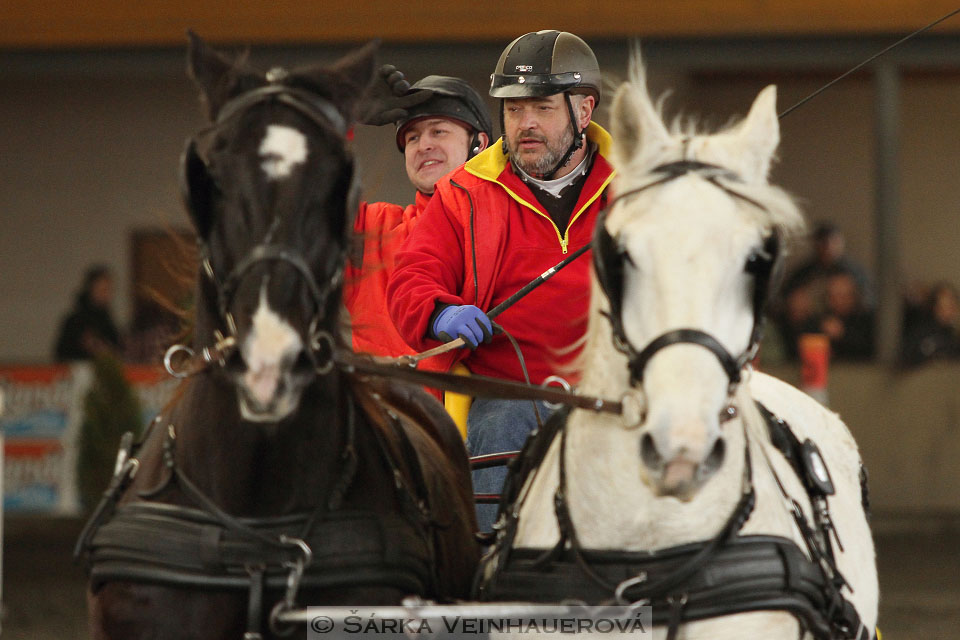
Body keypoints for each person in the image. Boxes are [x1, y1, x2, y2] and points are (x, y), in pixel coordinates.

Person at [386, 30, 614, 529]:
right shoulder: (461, 194)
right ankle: (491, 583)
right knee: (503, 423)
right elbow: (411, 278)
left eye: (542, 108)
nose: (525, 124)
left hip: (616, 394)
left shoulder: (634, 191)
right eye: (513, 109)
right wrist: (440, 311)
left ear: (584, 111)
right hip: (511, 400)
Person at [345, 68, 492, 365]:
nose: (423, 145)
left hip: (488, 406)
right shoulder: (373, 229)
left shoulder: (513, 225)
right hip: (384, 408)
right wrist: (336, 114)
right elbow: (289, 195)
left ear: (479, 143)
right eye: (412, 138)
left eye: (438, 131)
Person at [783, 222, 873, 312]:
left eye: (833, 242)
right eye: (823, 243)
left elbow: (867, 302)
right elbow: (787, 297)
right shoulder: (805, 273)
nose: (829, 247)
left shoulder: (853, 273)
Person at [54, 265, 123, 361]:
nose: (107, 295)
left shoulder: (108, 321)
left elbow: (117, 352)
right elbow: (61, 354)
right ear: (90, 289)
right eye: (102, 289)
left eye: (109, 290)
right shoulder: (75, 322)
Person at [815, 268, 875, 361]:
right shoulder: (821, 319)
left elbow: (870, 348)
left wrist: (843, 335)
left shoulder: (865, 320)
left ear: (853, 296)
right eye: (833, 297)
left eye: (843, 296)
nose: (838, 301)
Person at [901, 281, 960, 367]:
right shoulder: (921, 331)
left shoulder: (952, 336)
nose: (952, 308)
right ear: (935, 306)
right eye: (946, 304)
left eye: (953, 303)